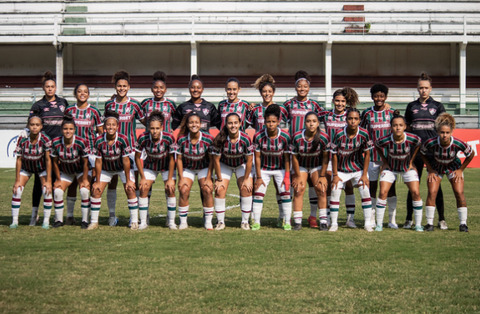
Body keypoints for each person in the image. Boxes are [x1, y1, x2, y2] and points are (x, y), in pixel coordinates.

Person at [22, 71, 68, 226]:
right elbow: (31, 124)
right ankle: (34, 215)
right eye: (47, 86)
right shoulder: (38, 105)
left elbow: (68, 123)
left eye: (52, 86)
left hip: (59, 147)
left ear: (56, 88)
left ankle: (57, 215)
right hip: (43, 149)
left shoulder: (63, 103)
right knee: (38, 182)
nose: (50, 89)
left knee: (56, 181)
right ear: (43, 88)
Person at [404, 72, 447, 230]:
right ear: (417, 89)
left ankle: (441, 219)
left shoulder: (437, 107)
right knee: (413, 186)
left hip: (432, 153)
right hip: (415, 153)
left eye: (426, 88)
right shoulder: (411, 106)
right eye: (421, 88)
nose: (423, 90)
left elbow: (444, 128)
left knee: (436, 187)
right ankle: (409, 219)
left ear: (431, 89)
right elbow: (406, 128)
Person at [104, 70, 146, 226]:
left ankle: (133, 217)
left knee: (131, 183)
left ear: (129, 87)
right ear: (115, 87)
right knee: (112, 182)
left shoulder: (135, 104)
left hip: (131, 150)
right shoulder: (109, 104)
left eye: (124, 86)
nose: (121, 88)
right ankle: (112, 216)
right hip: (112, 150)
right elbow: (105, 126)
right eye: (119, 86)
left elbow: (146, 122)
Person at [284, 70, 325, 228]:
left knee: (315, 186)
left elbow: (328, 115)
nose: (302, 88)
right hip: (296, 151)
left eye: (305, 86)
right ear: (295, 88)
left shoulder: (314, 105)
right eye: (299, 86)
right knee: (298, 186)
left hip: (313, 151)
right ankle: (294, 218)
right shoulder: (288, 104)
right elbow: (275, 115)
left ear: (309, 88)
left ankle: (313, 216)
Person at [246, 74, 288, 226]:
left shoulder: (281, 109)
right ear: (260, 93)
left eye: (270, 91)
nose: (267, 94)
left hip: (276, 153)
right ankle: (253, 216)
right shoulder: (255, 109)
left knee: (279, 187)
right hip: (259, 153)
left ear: (273, 93)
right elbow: (247, 125)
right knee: (255, 186)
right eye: (264, 91)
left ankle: (282, 216)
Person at [421, 113, 474, 232]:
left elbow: (471, 154)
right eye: (442, 132)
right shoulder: (431, 142)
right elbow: (422, 153)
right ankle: (429, 223)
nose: (444, 135)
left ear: (451, 132)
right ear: (438, 132)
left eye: (447, 133)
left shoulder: (458, 143)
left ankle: (463, 224)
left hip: (453, 167)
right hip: (437, 168)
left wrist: (461, 169)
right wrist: (429, 168)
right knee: (432, 192)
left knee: (459, 193)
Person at [88, 110, 139, 230]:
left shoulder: (123, 139)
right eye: (108, 125)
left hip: (121, 168)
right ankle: (94, 222)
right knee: (96, 190)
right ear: (105, 126)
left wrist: (128, 180)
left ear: (117, 126)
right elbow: (99, 161)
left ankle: (134, 220)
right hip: (106, 169)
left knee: (131, 188)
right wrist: (97, 180)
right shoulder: (99, 140)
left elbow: (126, 161)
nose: (111, 127)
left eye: (113, 125)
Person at [375, 111, 424, 232]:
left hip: (407, 169)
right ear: (391, 127)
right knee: (382, 193)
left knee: (416, 193)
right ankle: (379, 224)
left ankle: (418, 224)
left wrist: (411, 161)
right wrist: (385, 161)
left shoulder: (412, 138)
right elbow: (377, 145)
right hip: (390, 168)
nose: (398, 128)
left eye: (400, 125)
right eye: (395, 125)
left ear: (405, 126)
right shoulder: (385, 139)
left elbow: (418, 144)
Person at [63, 84, 103, 225]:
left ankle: (88, 216)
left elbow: (100, 131)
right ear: (75, 94)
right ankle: (69, 216)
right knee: (72, 184)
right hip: (72, 153)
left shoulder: (94, 111)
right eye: (79, 91)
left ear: (88, 94)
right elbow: (64, 128)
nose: (82, 94)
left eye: (85, 91)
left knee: (87, 184)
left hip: (90, 153)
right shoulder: (69, 110)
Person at [319, 87, 359, 228]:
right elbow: (309, 114)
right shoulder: (325, 115)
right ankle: (329, 218)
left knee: (349, 188)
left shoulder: (350, 115)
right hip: (330, 157)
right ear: (332, 101)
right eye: (337, 101)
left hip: (347, 158)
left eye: (343, 101)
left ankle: (350, 219)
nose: (340, 104)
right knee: (330, 187)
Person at [329, 108, 373, 232]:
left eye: (355, 119)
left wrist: (364, 174)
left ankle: (367, 223)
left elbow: (367, 154)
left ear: (359, 120)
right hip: (341, 170)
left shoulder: (364, 133)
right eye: (350, 118)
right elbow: (334, 154)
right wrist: (336, 175)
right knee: (335, 191)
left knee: (365, 191)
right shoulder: (338, 134)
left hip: (358, 169)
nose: (353, 121)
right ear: (346, 119)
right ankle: (334, 223)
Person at [361, 84, 398, 229]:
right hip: (371, 157)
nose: (379, 99)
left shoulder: (392, 113)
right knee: (372, 188)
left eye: (382, 96)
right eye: (376, 96)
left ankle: (391, 220)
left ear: (386, 97)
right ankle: (372, 219)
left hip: (389, 159)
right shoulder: (366, 113)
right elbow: (362, 132)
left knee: (391, 188)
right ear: (372, 97)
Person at [211, 113, 254, 230]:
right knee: (219, 189)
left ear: (240, 124)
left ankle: (245, 221)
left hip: (241, 165)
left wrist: (246, 179)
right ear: (226, 124)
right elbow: (216, 160)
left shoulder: (245, 139)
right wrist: (219, 179)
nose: (233, 125)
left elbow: (250, 161)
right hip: (225, 165)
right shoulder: (221, 138)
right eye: (230, 123)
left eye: (235, 123)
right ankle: (220, 222)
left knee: (246, 188)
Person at [252, 104, 292, 231]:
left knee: (285, 194)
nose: (271, 124)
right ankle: (256, 221)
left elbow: (287, 158)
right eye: (268, 121)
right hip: (264, 169)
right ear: (264, 121)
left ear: (278, 122)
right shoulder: (258, 136)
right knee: (258, 194)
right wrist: (258, 177)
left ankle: (286, 220)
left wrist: (287, 176)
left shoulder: (285, 137)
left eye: (274, 121)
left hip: (280, 169)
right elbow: (257, 157)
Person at [135, 111, 176, 230]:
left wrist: (170, 179)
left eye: (157, 128)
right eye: (152, 128)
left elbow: (172, 159)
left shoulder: (169, 137)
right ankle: (143, 221)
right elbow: (137, 158)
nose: (154, 131)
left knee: (170, 189)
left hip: (166, 167)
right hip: (150, 166)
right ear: (148, 128)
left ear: (162, 127)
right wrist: (142, 177)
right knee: (143, 188)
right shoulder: (143, 137)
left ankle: (171, 220)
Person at [10, 113, 52, 229]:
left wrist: (48, 180)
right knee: (17, 190)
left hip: (41, 168)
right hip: (27, 168)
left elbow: (48, 160)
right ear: (28, 126)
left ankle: (46, 221)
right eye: (32, 124)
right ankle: (14, 221)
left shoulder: (45, 139)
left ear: (41, 127)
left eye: (37, 125)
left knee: (47, 190)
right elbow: (18, 159)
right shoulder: (22, 139)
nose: (34, 127)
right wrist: (17, 180)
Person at [290, 112, 329, 231]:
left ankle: (323, 220)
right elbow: (294, 158)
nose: (311, 123)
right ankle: (297, 221)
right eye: (308, 121)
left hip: (316, 166)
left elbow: (325, 157)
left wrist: (322, 175)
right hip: (301, 166)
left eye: (314, 121)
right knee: (298, 188)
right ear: (304, 122)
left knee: (321, 189)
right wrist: (296, 176)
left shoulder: (324, 137)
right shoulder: (297, 137)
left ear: (318, 123)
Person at [175, 111, 215, 230]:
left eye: (196, 122)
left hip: (204, 167)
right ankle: (183, 222)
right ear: (187, 124)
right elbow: (179, 159)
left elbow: (212, 160)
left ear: (201, 124)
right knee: (183, 189)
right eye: (191, 122)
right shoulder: (181, 139)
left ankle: (208, 221)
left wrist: (209, 178)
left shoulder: (208, 138)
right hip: (189, 168)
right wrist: (181, 178)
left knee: (207, 190)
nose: (194, 125)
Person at [50, 114, 91, 229]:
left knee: (84, 190)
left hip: (80, 171)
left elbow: (86, 162)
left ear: (74, 130)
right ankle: (59, 220)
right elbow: (54, 162)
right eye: (65, 129)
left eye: (71, 129)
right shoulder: (56, 142)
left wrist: (84, 179)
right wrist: (58, 179)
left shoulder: (81, 142)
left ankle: (84, 221)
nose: (68, 131)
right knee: (57, 192)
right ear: (61, 129)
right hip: (66, 172)